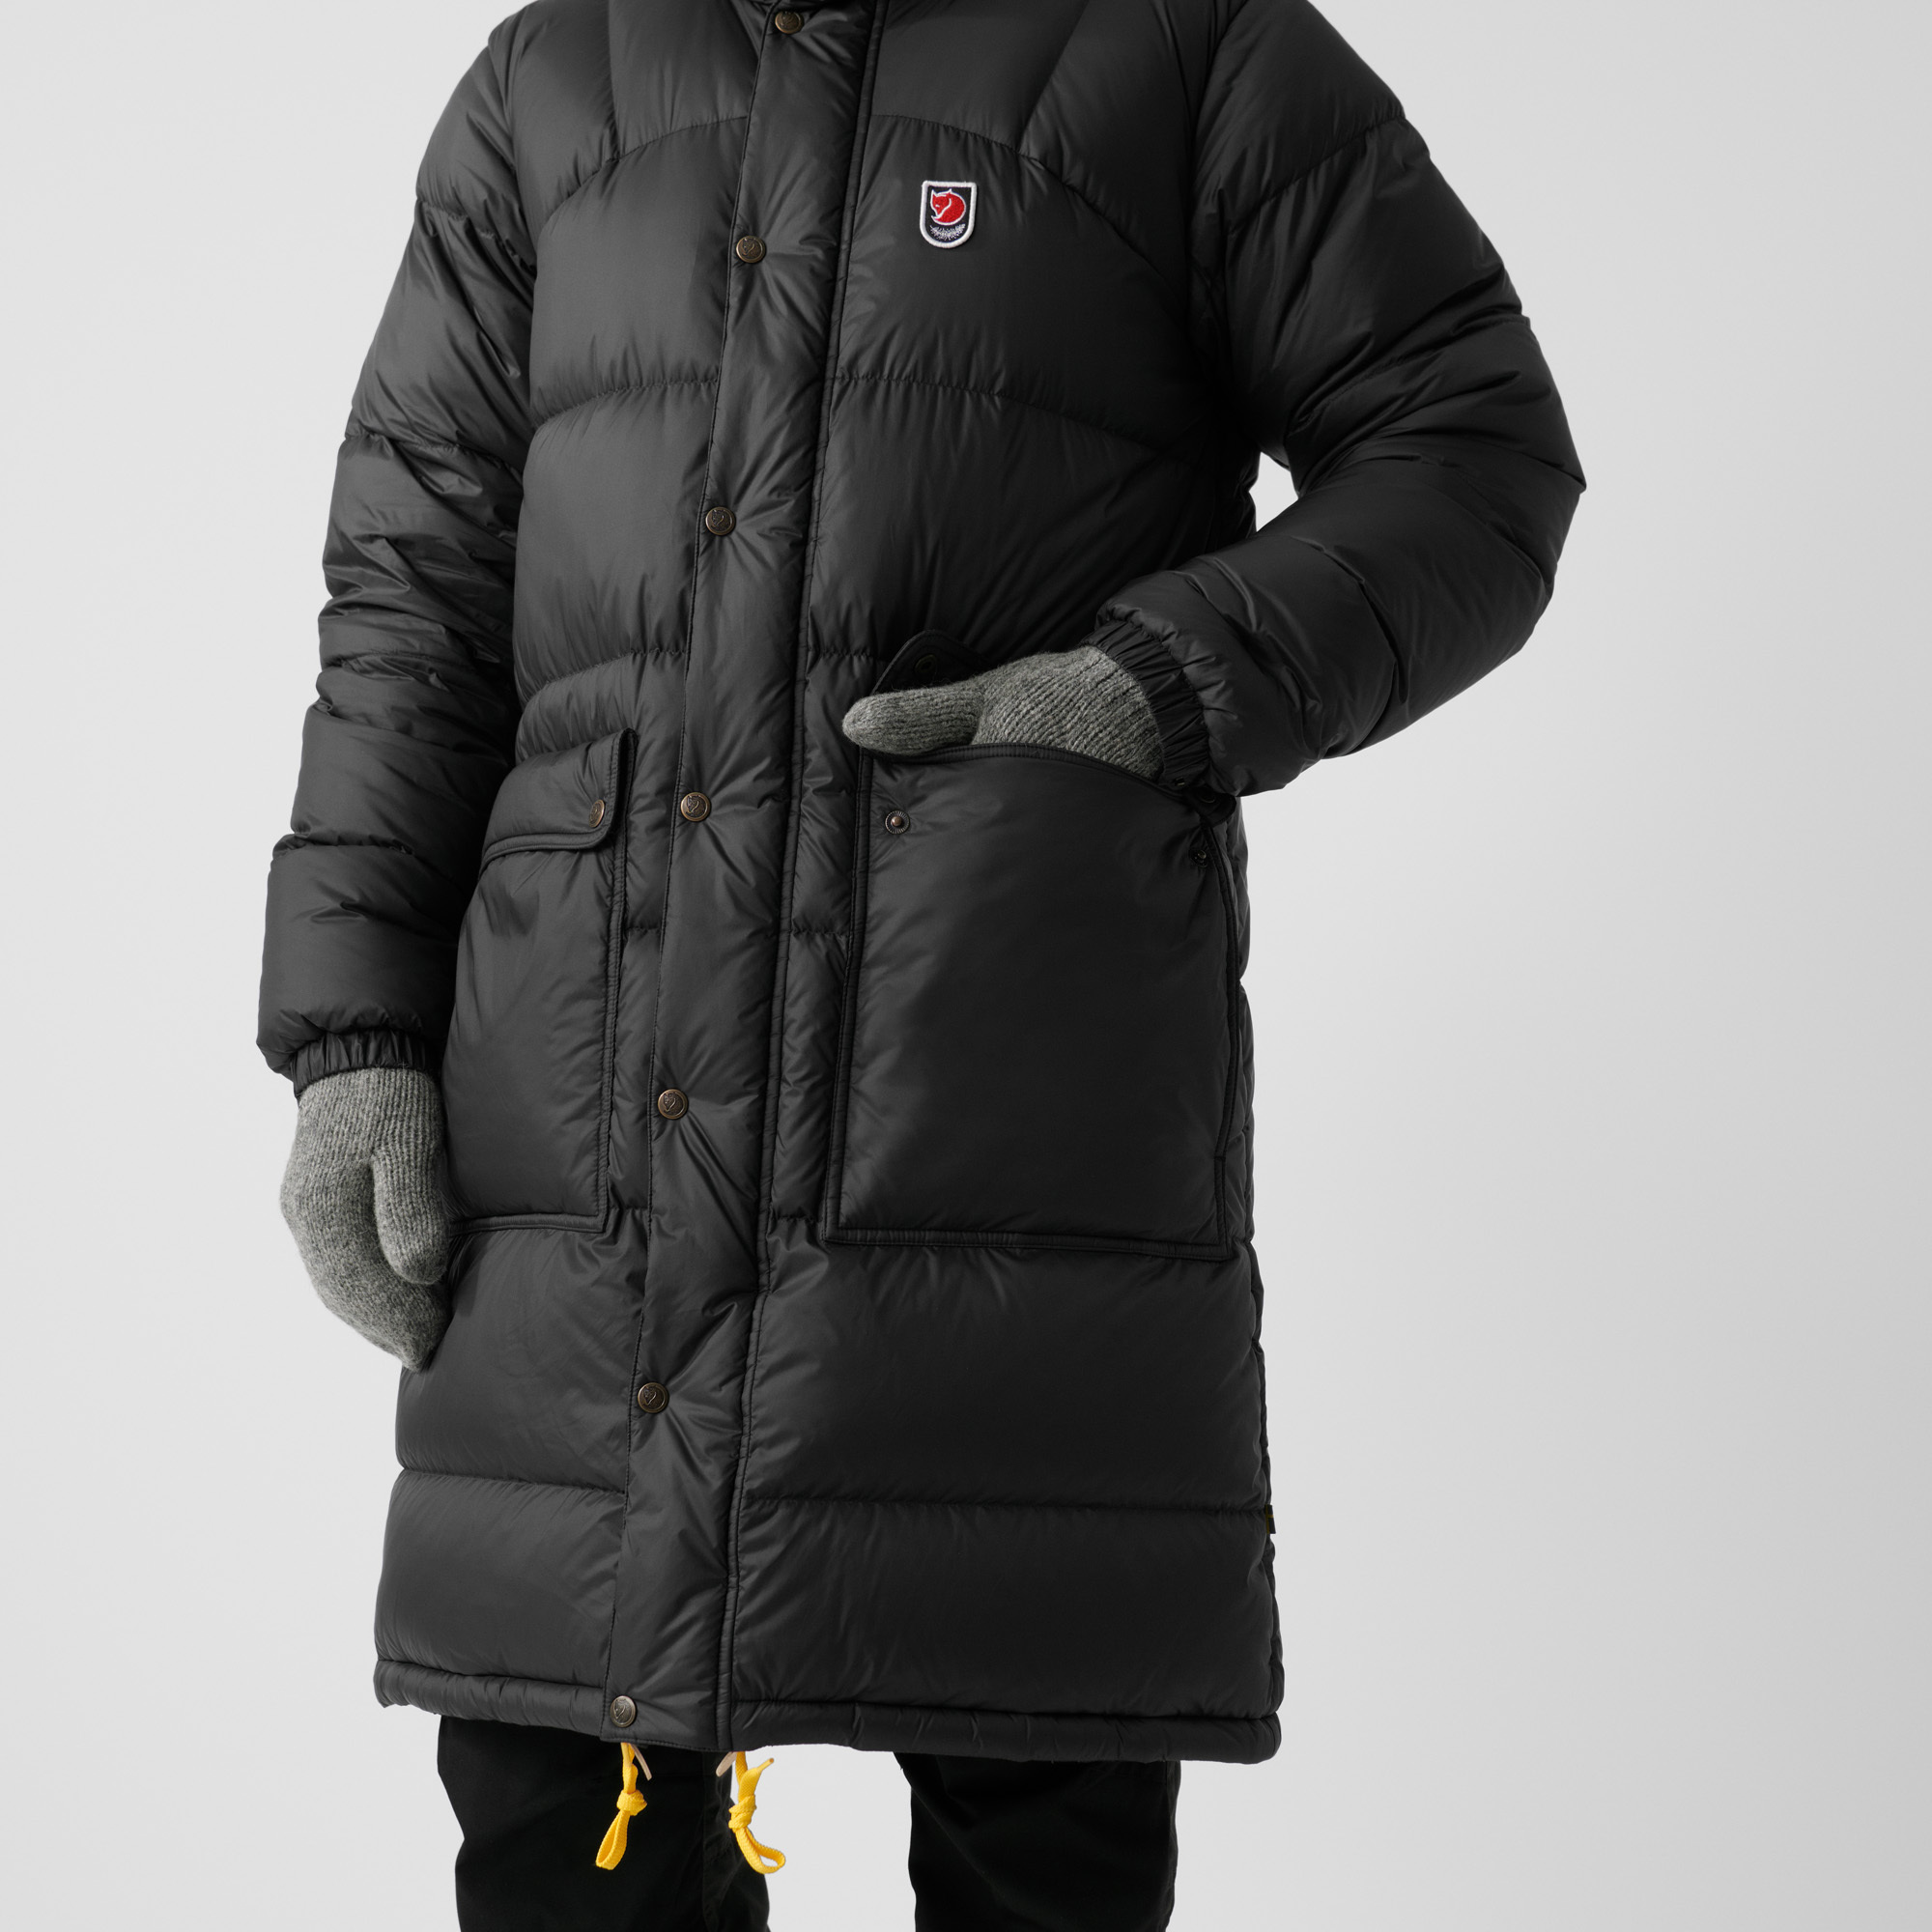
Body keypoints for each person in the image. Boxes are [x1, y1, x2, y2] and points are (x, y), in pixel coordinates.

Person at [260, 1, 1580, 1924]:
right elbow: (414, 594)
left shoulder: (1182, 48)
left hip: (995, 1116)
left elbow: (1473, 449)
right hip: (587, 1147)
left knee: (1033, 1823)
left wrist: (1148, 690)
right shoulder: (556, 77)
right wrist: (354, 1036)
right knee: (565, 1837)